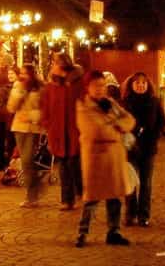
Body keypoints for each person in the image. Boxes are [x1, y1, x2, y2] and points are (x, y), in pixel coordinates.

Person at [75, 70, 136, 246]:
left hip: (115, 157)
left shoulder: (109, 103)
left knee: (115, 197)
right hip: (96, 158)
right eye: (96, 86)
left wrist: (116, 125)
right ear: (87, 87)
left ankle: (114, 232)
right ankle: (82, 233)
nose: (100, 89)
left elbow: (129, 120)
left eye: (103, 85)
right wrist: (118, 127)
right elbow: (95, 131)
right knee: (91, 199)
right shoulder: (83, 106)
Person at [122, 71, 165, 228]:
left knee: (146, 183)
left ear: (148, 85)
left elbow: (162, 122)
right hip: (130, 148)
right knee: (130, 182)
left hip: (148, 148)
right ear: (131, 85)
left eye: (143, 83)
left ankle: (144, 215)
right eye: (137, 83)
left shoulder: (154, 101)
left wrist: (154, 135)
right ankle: (130, 213)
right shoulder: (125, 103)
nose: (140, 85)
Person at [40, 52, 84, 210]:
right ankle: (67, 199)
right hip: (57, 132)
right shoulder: (50, 87)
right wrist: (48, 125)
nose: (52, 67)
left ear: (63, 65)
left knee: (74, 164)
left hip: (75, 131)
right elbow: (45, 108)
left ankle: (81, 191)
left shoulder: (78, 84)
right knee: (63, 166)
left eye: (54, 63)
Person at [7, 63, 44, 208]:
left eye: (26, 73)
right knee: (25, 161)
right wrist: (19, 93)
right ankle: (32, 192)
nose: (23, 76)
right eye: (21, 73)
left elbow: (44, 109)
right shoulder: (17, 86)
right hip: (19, 127)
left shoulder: (40, 88)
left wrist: (31, 115)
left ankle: (32, 193)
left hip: (33, 127)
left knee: (28, 159)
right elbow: (11, 107)